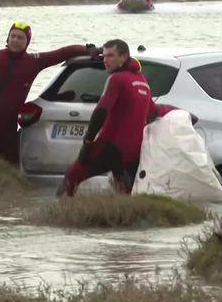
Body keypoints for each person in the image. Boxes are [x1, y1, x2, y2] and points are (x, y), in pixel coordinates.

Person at [0, 21, 98, 164]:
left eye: (20, 37)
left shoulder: (33, 61)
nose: (15, 40)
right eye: (12, 36)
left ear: (27, 42)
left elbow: (61, 53)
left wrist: (87, 49)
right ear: (7, 38)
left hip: (7, 124)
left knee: (9, 166)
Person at [58, 39, 154, 197]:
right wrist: (175, 111)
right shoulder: (142, 81)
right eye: (104, 56)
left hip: (111, 147)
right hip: (133, 152)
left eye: (110, 56)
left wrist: (88, 141)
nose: (105, 60)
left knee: (72, 176)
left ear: (123, 57)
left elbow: (101, 110)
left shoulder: (116, 79)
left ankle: (55, 216)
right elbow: (153, 112)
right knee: (125, 193)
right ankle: (126, 218)